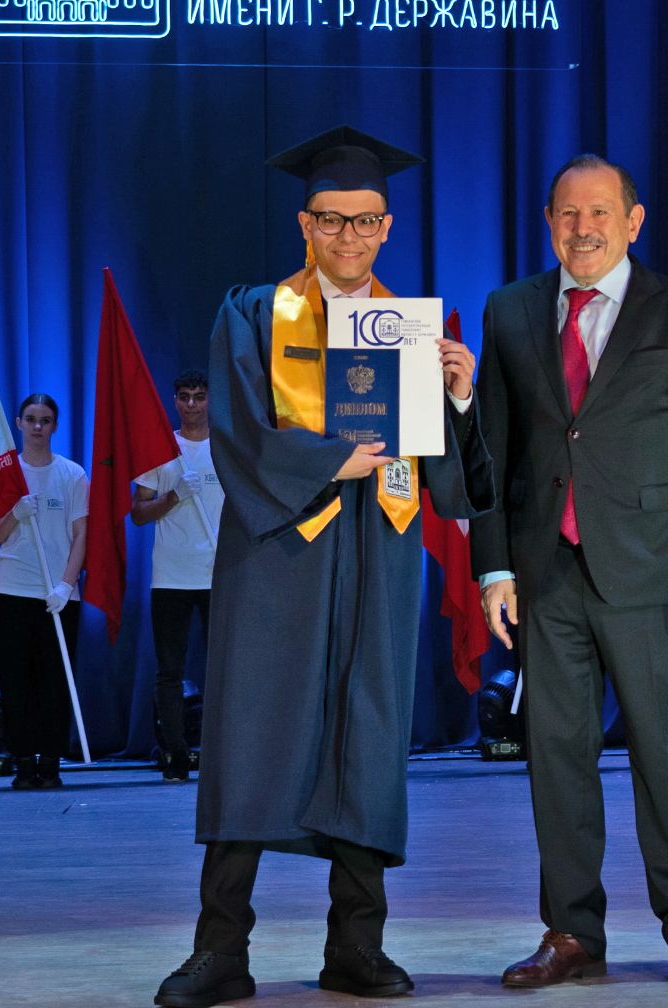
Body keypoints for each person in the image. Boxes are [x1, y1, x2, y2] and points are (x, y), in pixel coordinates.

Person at [156, 126, 492, 1007]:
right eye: (331, 220)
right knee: (251, 736)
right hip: (279, 556)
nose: (349, 237)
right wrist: (322, 464)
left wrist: (459, 396)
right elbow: (234, 431)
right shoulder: (255, 313)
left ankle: (358, 945)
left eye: (366, 221)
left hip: (379, 555)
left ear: (387, 226)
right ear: (304, 222)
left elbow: (454, 491)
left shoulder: (411, 330)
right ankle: (220, 950)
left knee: (368, 740)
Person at [473, 153, 668, 990]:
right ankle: (571, 931)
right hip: (546, 576)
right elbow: (491, 454)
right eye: (566, 214)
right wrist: (494, 570)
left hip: (656, 577)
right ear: (548, 221)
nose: (581, 229)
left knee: (666, 757)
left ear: (633, 220)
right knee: (556, 760)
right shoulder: (511, 311)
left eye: (598, 214)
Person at [0, 393, 88, 792]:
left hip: (59, 595)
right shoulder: (4, 476)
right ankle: (23, 761)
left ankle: (50, 760)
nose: (38, 427)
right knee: (17, 680)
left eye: (45, 420)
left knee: (55, 681)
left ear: (55, 425)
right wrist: (14, 513)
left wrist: (67, 583)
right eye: (31, 419)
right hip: (11, 590)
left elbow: (81, 535)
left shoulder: (73, 474)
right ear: (18, 423)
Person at [132, 369, 223, 783]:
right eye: (184, 396)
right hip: (171, 575)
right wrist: (174, 496)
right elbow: (138, 513)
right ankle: (175, 755)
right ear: (174, 400)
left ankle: (225, 751)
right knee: (169, 670)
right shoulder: (161, 449)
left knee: (223, 667)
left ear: (208, 400)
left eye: (198, 396)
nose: (191, 404)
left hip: (219, 573)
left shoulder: (226, 448)